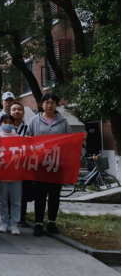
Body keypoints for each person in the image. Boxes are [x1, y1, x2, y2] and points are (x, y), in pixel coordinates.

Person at [28, 93, 84, 237]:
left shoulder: (63, 121)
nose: (50, 105)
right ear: (41, 104)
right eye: (47, 102)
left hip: (57, 164)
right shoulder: (34, 120)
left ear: (56, 105)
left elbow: (70, 140)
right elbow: (28, 140)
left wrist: (80, 138)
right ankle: (38, 223)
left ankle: (51, 222)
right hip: (40, 164)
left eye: (53, 102)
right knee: (40, 195)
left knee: (54, 195)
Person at [0, 114, 22, 236]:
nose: (8, 125)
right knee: (3, 200)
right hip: (2, 174)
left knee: (16, 201)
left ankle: (14, 223)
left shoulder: (19, 138)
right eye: (5, 122)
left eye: (10, 123)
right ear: (0, 124)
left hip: (16, 174)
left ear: (14, 124)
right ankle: (4, 222)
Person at [6, 103, 32, 228]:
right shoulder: (5, 128)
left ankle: (21, 217)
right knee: (8, 192)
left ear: (23, 112)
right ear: (10, 112)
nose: (17, 112)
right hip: (8, 165)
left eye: (19, 109)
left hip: (23, 164)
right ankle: (8, 216)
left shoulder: (28, 128)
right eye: (14, 109)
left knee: (23, 192)